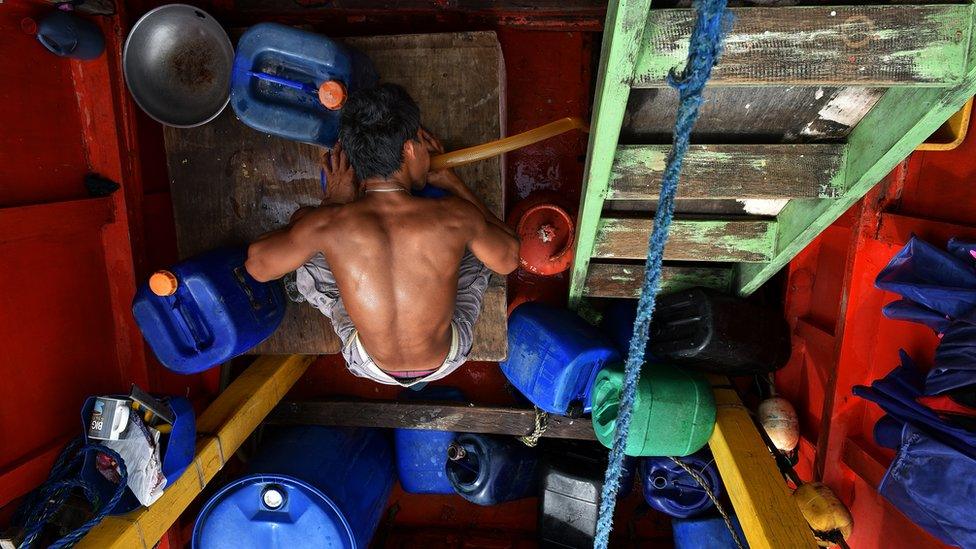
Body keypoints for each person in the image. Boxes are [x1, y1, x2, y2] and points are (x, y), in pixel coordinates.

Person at [245, 83, 520, 386]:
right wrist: (453, 183)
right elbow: (509, 259)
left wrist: (332, 204)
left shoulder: (329, 222)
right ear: (410, 149)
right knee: (480, 244)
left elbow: (257, 266)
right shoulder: (455, 215)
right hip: (447, 357)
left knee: (303, 233)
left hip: (369, 364)